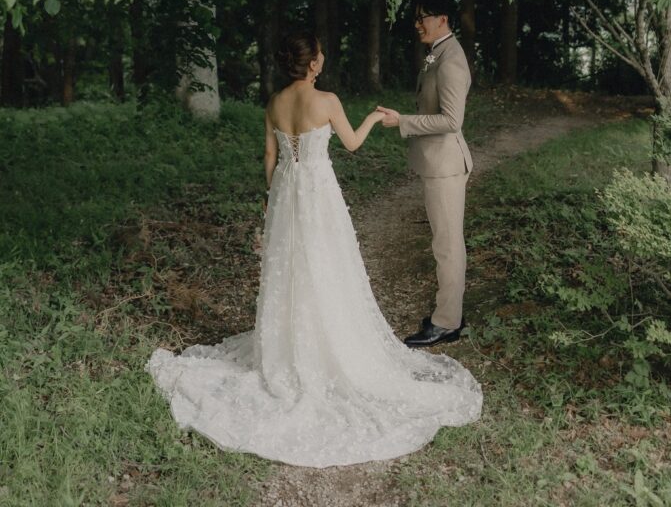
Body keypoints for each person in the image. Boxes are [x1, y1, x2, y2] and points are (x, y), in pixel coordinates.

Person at [146, 31, 481, 468]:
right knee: (328, 266)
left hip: (287, 196)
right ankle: (329, 341)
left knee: (291, 268)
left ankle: (289, 344)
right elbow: (353, 144)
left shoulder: (274, 104)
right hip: (320, 196)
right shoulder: (328, 101)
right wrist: (375, 120)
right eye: (320, 55)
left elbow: (270, 158)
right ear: (314, 64)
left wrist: (279, 192)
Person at [378, 0, 474, 348]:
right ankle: (449, 312)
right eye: (416, 18)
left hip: (447, 165)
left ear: (443, 20)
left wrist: (403, 121)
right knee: (445, 243)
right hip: (438, 163)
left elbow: (451, 120)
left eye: (423, 18)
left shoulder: (450, 60)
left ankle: (447, 322)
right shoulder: (438, 53)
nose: (417, 24)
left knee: (447, 245)